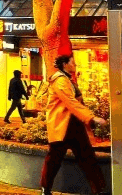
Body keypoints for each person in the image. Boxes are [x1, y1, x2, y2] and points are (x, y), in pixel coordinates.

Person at [40, 55, 109, 195]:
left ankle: (98, 190)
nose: (75, 64)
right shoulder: (60, 80)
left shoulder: (66, 80)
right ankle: (45, 189)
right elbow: (71, 102)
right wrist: (92, 118)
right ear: (65, 64)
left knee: (87, 158)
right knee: (55, 160)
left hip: (72, 125)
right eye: (73, 62)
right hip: (64, 126)